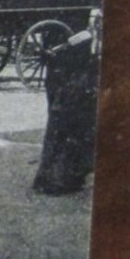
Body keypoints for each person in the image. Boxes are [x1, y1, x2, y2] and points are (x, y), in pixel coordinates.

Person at [33, 10, 100, 195]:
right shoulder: (82, 42)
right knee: (71, 139)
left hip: (61, 97)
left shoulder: (63, 47)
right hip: (73, 99)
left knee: (57, 139)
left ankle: (49, 178)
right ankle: (61, 180)